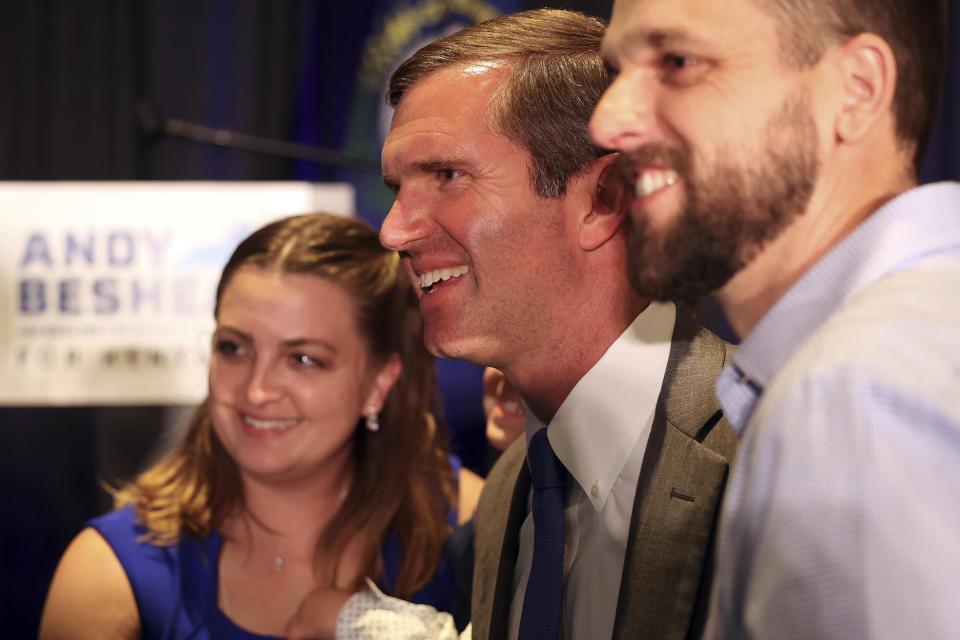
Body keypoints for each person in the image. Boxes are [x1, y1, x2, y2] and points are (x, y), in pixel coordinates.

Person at [590, 0, 958, 637]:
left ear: (857, 90)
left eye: (678, 62)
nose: (606, 121)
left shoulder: (850, 397)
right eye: (617, 71)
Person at [373, 9, 738, 640]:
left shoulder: (767, 450)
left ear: (606, 199)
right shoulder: (508, 491)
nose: (393, 231)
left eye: (447, 176)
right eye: (397, 188)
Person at [39, 213, 475, 639]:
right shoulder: (111, 571)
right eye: (234, 348)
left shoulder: (475, 519)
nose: (257, 391)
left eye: (303, 359)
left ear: (379, 381)